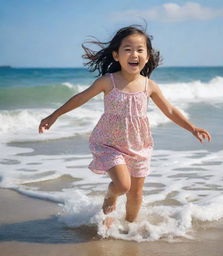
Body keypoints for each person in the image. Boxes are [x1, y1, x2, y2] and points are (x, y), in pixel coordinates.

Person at [38, 25, 211, 228]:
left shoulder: (149, 86)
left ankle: (130, 228)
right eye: (127, 49)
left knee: (136, 194)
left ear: (147, 56)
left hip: (139, 145)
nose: (134, 54)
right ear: (116, 55)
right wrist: (54, 116)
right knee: (122, 185)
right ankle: (110, 197)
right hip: (109, 143)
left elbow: (170, 110)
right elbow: (80, 99)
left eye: (140, 49)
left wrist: (192, 128)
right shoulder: (108, 81)